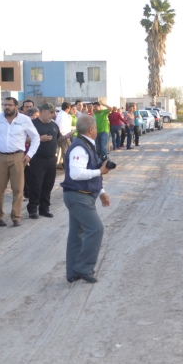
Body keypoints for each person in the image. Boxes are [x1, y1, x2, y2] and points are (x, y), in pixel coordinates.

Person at [61, 115, 113, 284]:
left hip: (82, 195)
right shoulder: (79, 147)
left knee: (77, 233)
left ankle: (73, 272)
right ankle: (84, 268)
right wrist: (100, 172)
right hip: (78, 196)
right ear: (91, 129)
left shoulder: (86, 145)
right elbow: (76, 174)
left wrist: (102, 191)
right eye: (96, 128)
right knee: (96, 229)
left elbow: (91, 169)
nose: (97, 130)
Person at [0, 97, 39, 227]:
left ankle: (16, 217)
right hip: (0, 156)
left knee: (18, 189)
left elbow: (36, 138)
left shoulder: (24, 120)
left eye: (10, 105)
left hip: (18, 157)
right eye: (4, 104)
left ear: (16, 106)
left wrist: (29, 155)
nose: (7, 107)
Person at [27, 103, 61, 219]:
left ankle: (44, 208)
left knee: (48, 184)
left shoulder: (54, 125)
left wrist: (65, 137)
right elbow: (23, 138)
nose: (53, 114)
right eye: (51, 112)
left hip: (51, 159)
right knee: (36, 184)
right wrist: (39, 139)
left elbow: (58, 138)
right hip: (37, 159)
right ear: (43, 112)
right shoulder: (32, 124)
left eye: (54, 112)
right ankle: (32, 208)